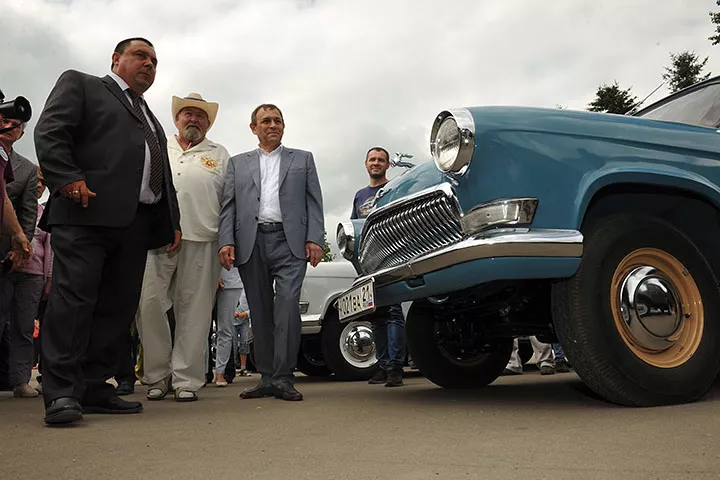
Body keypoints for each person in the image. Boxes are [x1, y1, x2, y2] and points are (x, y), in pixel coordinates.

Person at [34, 37, 181, 425]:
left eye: (154, 61)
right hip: (85, 212)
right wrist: (66, 177)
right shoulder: (82, 84)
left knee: (117, 309)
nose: (149, 64)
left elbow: (159, 170)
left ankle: (94, 386)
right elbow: (51, 131)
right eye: (140, 55)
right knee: (74, 302)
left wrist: (172, 221)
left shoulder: (148, 115)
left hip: (135, 223)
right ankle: (61, 392)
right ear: (116, 59)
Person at [219, 104, 324, 402]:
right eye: (266, 121)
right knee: (259, 310)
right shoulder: (237, 163)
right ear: (254, 128)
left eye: (278, 120)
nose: (273, 125)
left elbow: (314, 201)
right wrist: (225, 241)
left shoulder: (303, 159)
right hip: (250, 241)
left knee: (287, 306)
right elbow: (228, 205)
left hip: (290, 242)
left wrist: (315, 238)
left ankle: (284, 376)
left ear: (284, 126)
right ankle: (266, 377)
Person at [136, 92, 229, 403]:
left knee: (195, 311)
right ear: (176, 119)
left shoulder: (219, 153)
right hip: (158, 238)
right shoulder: (159, 145)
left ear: (208, 123)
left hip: (204, 238)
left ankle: (186, 379)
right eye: (188, 113)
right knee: (148, 303)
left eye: (201, 115)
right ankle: (157, 376)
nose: (194, 119)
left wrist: (227, 241)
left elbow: (229, 202)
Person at [352, 147, 406, 387]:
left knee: (393, 312)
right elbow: (355, 227)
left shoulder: (395, 188)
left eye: (381, 160)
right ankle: (382, 366)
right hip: (367, 262)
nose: (376, 163)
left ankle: (395, 367)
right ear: (366, 164)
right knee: (376, 315)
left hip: (391, 256)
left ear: (387, 165)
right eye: (372, 159)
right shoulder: (359, 195)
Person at [0, 118, 37, 396]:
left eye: (18, 125)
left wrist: (21, 246)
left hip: (15, 253)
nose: (12, 127)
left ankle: (21, 380)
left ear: (23, 133)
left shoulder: (27, 168)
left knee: (23, 325)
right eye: (6, 121)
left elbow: (28, 211)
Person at [214, 267, 250, 387]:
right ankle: (201, 372)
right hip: (205, 276)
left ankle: (220, 372)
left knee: (225, 330)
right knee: (201, 329)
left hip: (232, 279)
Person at [232, 280, 252, 378]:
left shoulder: (248, 289)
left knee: (244, 343)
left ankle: (243, 368)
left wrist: (246, 314)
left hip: (244, 320)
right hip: (232, 321)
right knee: (233, 344)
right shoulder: (232, 289)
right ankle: (232, 367)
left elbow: (254, 305)